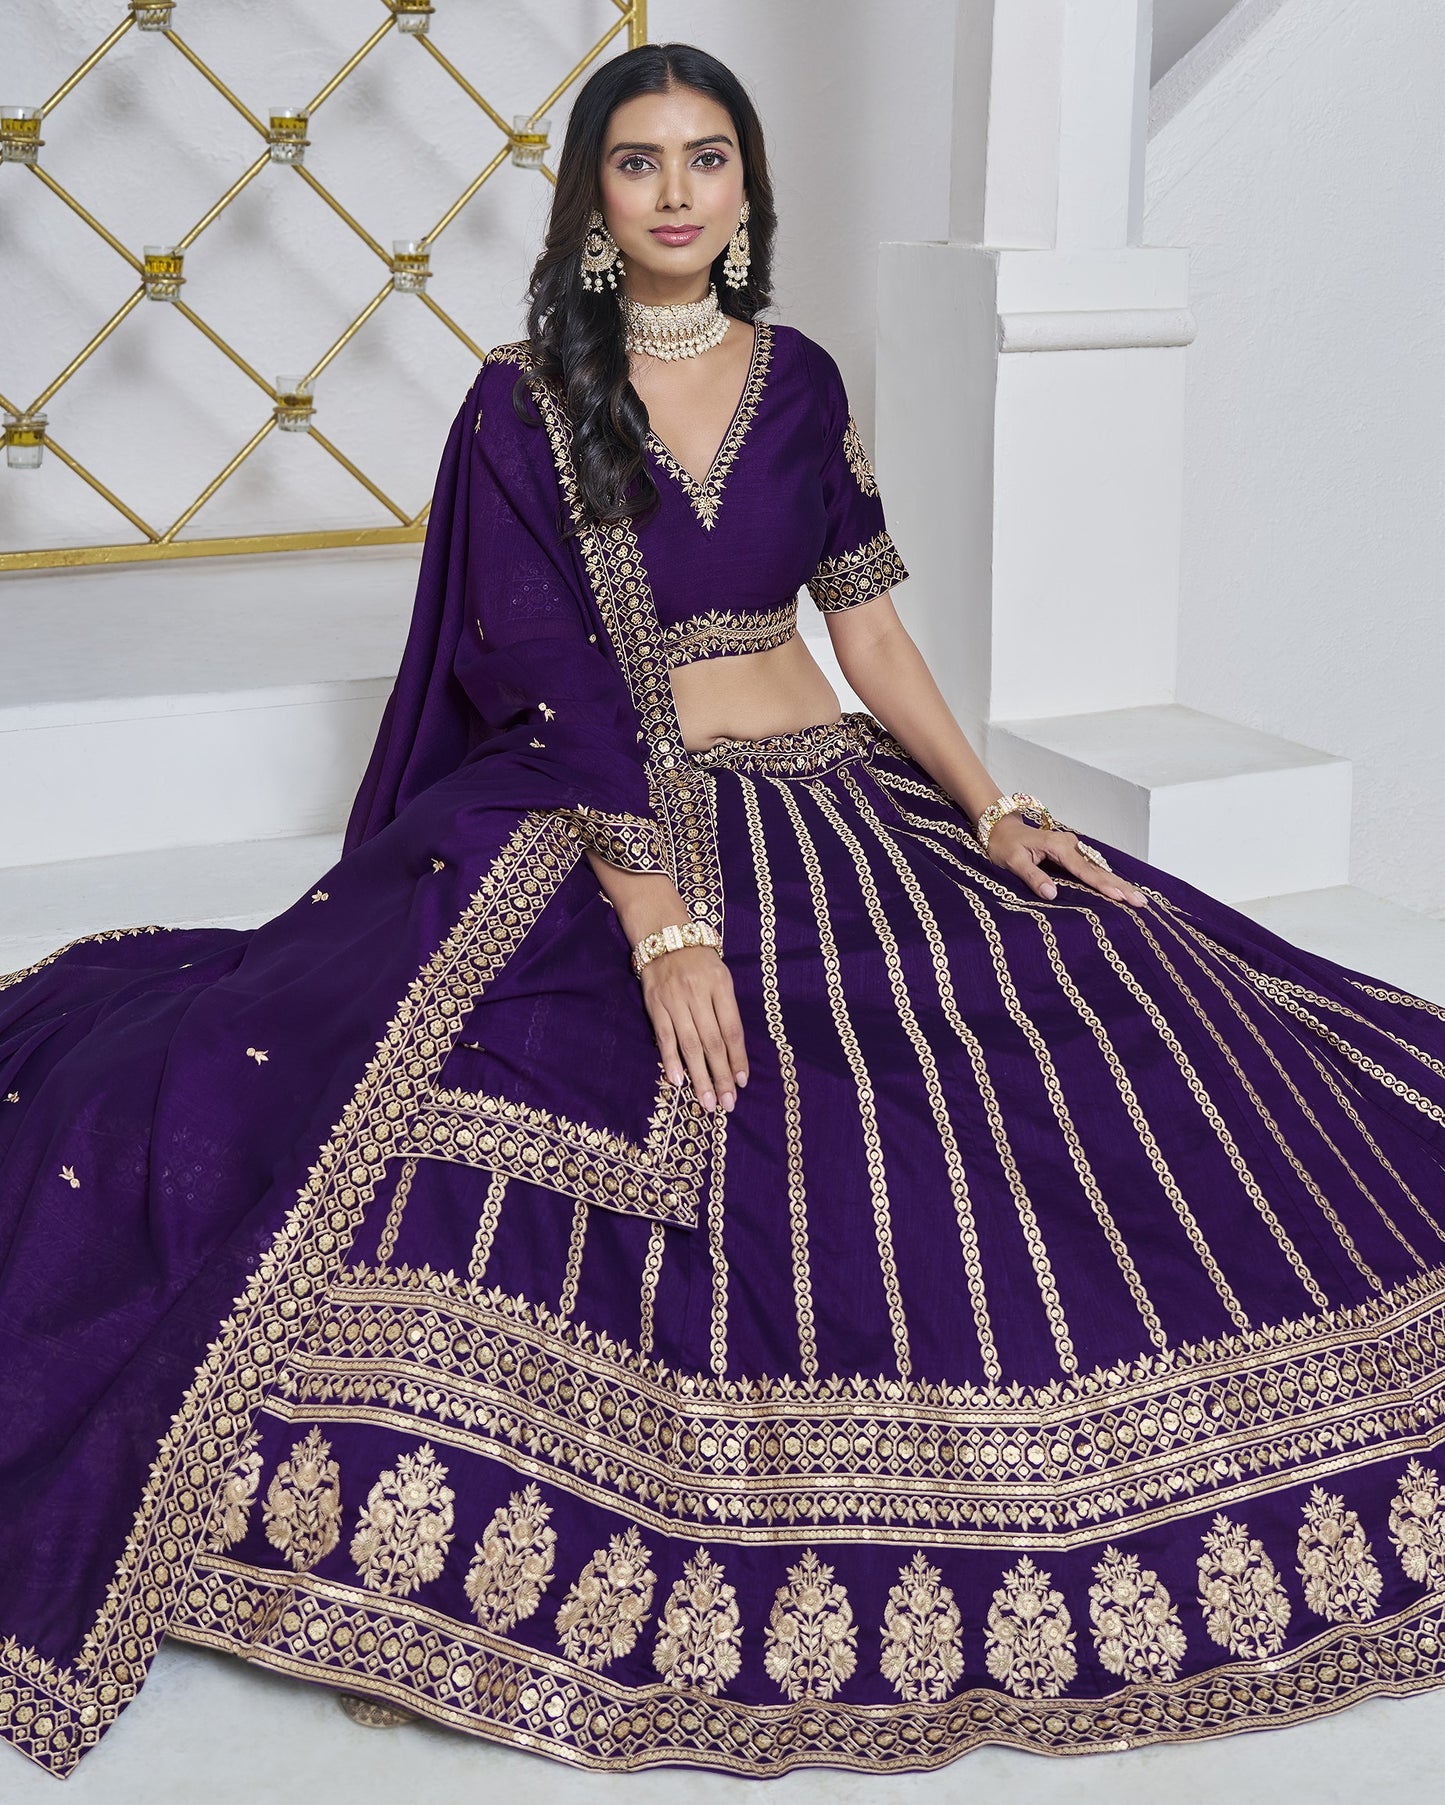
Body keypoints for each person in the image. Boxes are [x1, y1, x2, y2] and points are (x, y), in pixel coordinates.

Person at [4, 40, 1445, 1784]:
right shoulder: (526, 400)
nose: (677, 189)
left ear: (747, 187)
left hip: (836, 789)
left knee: (1103, 988)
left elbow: (870, 627)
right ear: (592, 199)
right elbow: (536, 667)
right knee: (674, 1098)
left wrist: (988, 807)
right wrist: (664, 919)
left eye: (707, 156)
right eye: (638, 161)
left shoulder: (804, 373)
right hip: (617, 824)